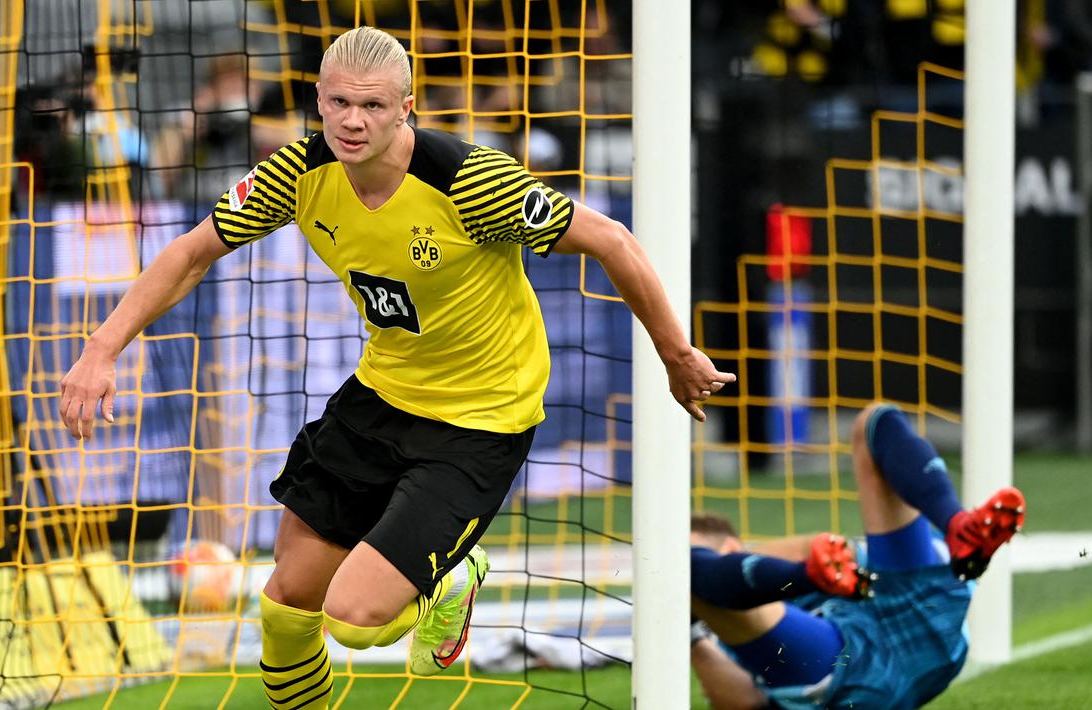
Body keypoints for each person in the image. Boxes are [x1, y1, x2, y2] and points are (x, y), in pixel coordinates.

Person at [58, 25, 736, 710]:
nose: (353, 121)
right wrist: (100, 349)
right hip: (382, 395)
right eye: (340, 103)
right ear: (318, 100)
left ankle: (452, 575)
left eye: (373, 105)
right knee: (285, 605)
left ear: (405, 108)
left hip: (481, 420)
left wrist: (675, 353)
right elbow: (190, 253)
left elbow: (613, 240)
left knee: (354, 621)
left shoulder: (471, 181)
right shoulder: (296, 173)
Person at [688, 403, 1026, 710]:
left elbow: (833, 549)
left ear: (731, 549)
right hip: (852, 665)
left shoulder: (785, 564)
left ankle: (959, 527)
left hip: (903, 613)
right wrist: (693, 634)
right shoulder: (721, 635)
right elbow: (744, 700)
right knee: (693, 574)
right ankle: (953, 527)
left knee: (875, 422)